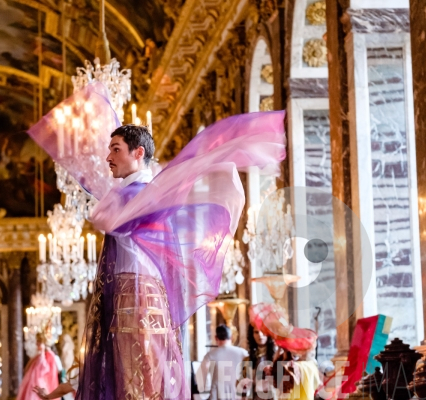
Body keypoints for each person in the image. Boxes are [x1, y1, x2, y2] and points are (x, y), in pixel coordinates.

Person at [27, 82, 286, 399]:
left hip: (138, 296)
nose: (107, 156)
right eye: (109, 149)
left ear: (138, 154)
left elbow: (118, 219)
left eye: (115, 149)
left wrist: (106, 211)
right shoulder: (130, 193)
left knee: (142, 381)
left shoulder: (145, 193)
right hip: (129, 294)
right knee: (124, 374)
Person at [196, 325, 249, 399]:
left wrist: (204, 393)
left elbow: (201, 377)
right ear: (231, 337)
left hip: (217, 396)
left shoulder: (210, 355)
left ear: (216, 338)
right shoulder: (243, 353)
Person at [17, 332, 61, 400]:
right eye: (37, 342)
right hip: (33, 379)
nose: (37, 344)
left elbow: (46, 369)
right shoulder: (38, 356)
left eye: (39, 342)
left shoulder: (46, 355)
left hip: (39, 380)